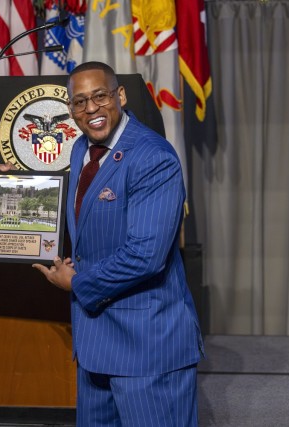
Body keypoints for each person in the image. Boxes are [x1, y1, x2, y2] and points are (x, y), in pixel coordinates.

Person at [32, 61, 205, 426]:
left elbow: (146, 256)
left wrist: (77, 283)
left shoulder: (153, 157)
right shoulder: (80, 148)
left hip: (148, 347)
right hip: (96, 344)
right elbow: (85, 210)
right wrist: (9, 187)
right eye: (79, 102)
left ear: (120, 95)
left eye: (99, 96)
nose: (91, 108)